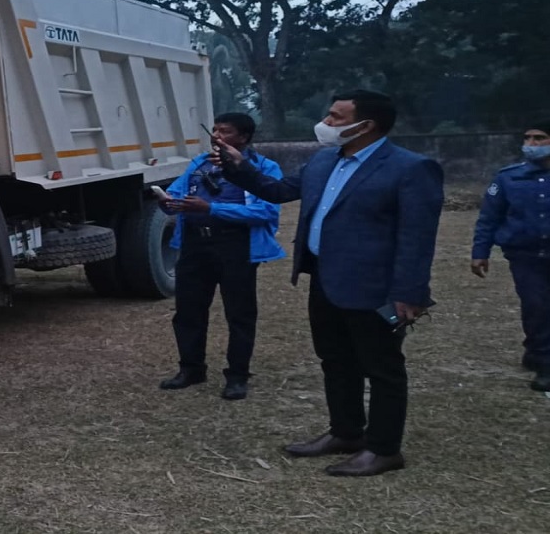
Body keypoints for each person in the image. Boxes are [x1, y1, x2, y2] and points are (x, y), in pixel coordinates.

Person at [212, 90, 443, 477]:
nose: (327, 123)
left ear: (366, 125)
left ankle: (384, 449)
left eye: (336, 117)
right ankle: (346, 432)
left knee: (382, 367)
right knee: (335, 360)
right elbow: (279, 191)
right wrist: (239, 167)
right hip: (324, 279)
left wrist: (409, 294)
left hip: (376, 289)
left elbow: (418, 238)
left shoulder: (410, 168)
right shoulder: (323, 161)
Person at [158, 112, 286, 400]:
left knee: (239, 314)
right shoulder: (198, 164)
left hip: (236, 248)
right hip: (194, 246)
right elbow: (176, 193)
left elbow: (266, 210)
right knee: (188, 310)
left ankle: (237, 376)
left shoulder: (264, 168)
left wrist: (211, 209)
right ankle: (191, 369)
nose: (216, 136)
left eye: (225, 131)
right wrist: (168, 202)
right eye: (214, 130)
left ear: (243, 137)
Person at [471, 121, 550, 391]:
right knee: (536, 306)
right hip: (525, 255)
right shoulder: (508, 177)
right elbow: (489, 218)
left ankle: (539, 354)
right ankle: (543, 360)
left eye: (539, 138)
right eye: (527, 138)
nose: (531, 143)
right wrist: (480, 252)